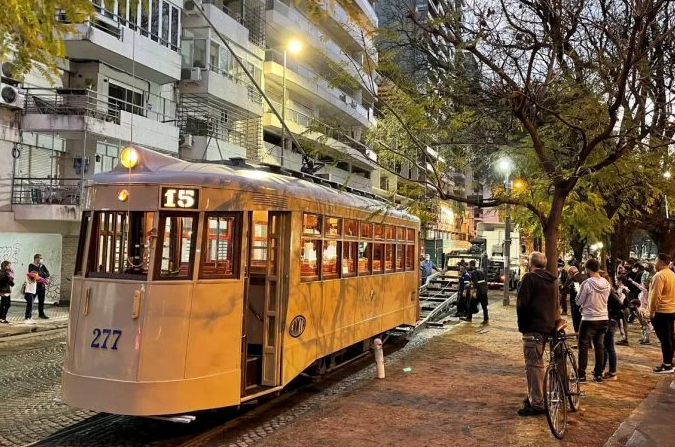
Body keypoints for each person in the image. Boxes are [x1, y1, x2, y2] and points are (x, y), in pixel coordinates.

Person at [516, 251, 560, 416]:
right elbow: (556, 304)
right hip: (548, 327)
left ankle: (537, 403)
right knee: (538, 365)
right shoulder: (552, 281)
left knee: (533, 366)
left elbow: (522, 304)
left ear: (530, 263)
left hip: (532, 328)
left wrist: (522, 324)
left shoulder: (529, 278)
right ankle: (536, 397)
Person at [576, 258, 610, 382]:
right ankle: (598, 374)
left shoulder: (587, 283)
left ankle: (581, 374)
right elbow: (605, 299)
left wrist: (582, 304)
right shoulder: (606, 283)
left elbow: (579, 301)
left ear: (588, 269)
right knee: (599, 346)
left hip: (589, 318)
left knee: (583, 346)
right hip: (603, 318)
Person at [647, 253, 675, 374]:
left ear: (661, 262)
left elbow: (655, 296)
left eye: (656, 261)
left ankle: (667, 364)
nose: (654, 263)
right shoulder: (672, 274)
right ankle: (669, 362)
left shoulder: (659, 276)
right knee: (669, 338)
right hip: (671, 310)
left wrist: (651, 312)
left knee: (665, 339)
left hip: (661, 311)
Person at [602, 271, 625, 380]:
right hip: (610, 320)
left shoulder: (610, 292)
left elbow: (620, 305)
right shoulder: (609, 292)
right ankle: (605, 369)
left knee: (609, 346)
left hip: (611, 321)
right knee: (605, 346)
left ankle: (612, 372)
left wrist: (612, 316)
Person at [461, 260, 489, 325]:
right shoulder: (481, 271)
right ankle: (486, 319)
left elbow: (475, 283)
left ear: (471, 265)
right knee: (484, 306)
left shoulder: (474, 273)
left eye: (468, 265)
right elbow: (483, 281)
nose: (468, 266)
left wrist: (474, 292)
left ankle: (469, 317)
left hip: (479, 292)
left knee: (471, 304)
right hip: (484, 291)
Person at [566, 266, 588, 334]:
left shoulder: (575, 279)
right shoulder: (585, 276)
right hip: (586, 303)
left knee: (577, 323)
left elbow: (578, 292)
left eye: (568, 274)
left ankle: (578, 336)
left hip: (577, 305)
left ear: (571, 273)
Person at [28, 254, 50, 319]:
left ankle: (41, 314)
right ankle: (28, 316)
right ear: (36, 259)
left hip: (42, 286)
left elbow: (48, 274)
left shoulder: (42, 265)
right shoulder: (31, 265)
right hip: (34, 286)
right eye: (40, 258)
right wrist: (41, 274)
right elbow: (33, 274)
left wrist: (40, 274)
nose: (40, 260)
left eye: (41, 259)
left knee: (41, 301)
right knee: (31, 301)